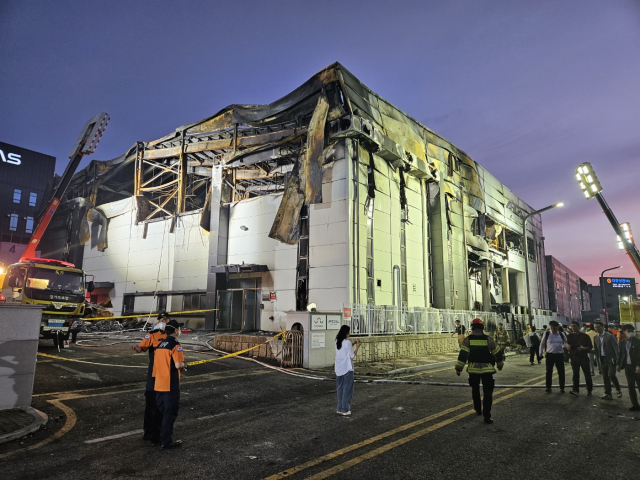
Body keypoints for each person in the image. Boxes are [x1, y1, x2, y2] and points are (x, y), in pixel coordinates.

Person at [455, 318, 504, 424]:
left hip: (473, 370)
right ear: (483, 328)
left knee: (475, 390)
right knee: (487, 393)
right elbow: (498, 354)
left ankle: (478, 409)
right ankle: (487, 416)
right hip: (487, 371)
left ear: (472, 327)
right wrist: (500, 365)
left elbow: (463, 355)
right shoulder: (489, 339)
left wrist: (459, 368)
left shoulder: (467, 340)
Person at [133, 314, 168, 442]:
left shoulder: (171, 336)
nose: (163, 321)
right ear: (158, 321)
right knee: (152, 402)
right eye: (161, 320)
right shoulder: (153, 334)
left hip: (165, 375)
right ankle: (149, 432)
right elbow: (141, 347)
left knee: (162, 404)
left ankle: (158, 433)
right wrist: (137, 347)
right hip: (154, 375)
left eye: (165, 320)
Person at [153, 319, 186, 449]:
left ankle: (156, 437)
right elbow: (178, 364)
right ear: (176, 331)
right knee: (170, 412)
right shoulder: (175, 345)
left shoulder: (160, 344)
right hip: (170, 384)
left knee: (160, 411)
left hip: (159, 383)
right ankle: (166, 441)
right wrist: (184, 365)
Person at [335, 325, 361, 416]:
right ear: (346, 333)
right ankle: (345, 409)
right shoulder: (347, 342)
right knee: (347, 390)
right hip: (347, 369)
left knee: (340, 389)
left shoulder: (337, 341)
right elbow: (352, 356)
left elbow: (345, 349)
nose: (349, 333)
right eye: (349, 331)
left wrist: (353, 344)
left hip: (338, 369)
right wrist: (357, 346)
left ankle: (339, 408)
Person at [594, 321, 622, 400]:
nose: (597, 329)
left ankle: (618, 389)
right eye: (595, 327)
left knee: (611, 374)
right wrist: (597, 361)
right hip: (602, 359)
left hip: (611, 358)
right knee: (605, 376)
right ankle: (608, 393)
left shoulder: (610, 336)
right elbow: (596, 350)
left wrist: (618, 361)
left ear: (603, 327)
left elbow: (616, 348)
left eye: (598, 327)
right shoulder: (596, 338)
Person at [566, 320, 593, 396]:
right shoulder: (570, 336)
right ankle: (575, 390)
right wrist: (567, 346)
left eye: (575, 326)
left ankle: (589, 389)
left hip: (583, 357)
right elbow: (568, 345)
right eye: (572, 326)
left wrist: (584, 348)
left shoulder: (585, 336)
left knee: (587, 374)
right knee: (575, 374)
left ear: (579, 327)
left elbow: (590, 347)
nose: (573, 328)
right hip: (574, 357)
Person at [616, 324, 640, 411]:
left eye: (632, 331)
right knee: (631, 387)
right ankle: (635, 405)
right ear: (624, 332)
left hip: (637, 367)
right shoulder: (622, 343)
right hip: (628, 367)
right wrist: (618, 365)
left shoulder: (638, 342)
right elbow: (621, 355)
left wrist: (639, 365)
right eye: (628, 331)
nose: (631, 333)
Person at [539, 320, 567, 393]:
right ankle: (548, 387)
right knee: (549, 371)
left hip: (559, 355)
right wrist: (540, 352)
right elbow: (542, 344)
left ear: (557, 327)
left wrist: (563, 346)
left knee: (561, 372)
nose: (553, 328)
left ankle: (562, 387)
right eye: (551, 326)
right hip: (550, 355)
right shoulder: (547, 333)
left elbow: (566, 343)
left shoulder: (561, 334)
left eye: (554, 326)